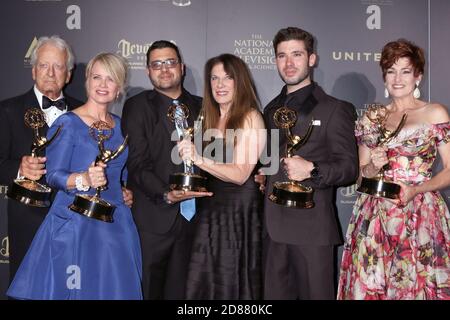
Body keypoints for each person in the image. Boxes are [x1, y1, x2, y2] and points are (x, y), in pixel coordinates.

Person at [6, 52, 142, 299]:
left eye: (110, 79)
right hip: (76, 224)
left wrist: (124, 189)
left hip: (116, 225)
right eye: (96, 77)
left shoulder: (123, 127)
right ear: (86, 81)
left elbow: (121, 172)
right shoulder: (68, 122)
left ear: (119, 87)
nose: (102, 85)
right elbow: (53, 176)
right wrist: (84, 179)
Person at [338, 39, 450, 300]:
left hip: (420, 214)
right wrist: (371, 165)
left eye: (405, 71)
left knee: (416, 287)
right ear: (384, 77)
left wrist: (417, 189)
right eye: (391, 71)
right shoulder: (371, 118)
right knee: (369, 286)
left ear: (418, 76)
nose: (397, 78)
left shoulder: (435, 113)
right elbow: (360, 176)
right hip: (374, 216)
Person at [261, 27, 359, 300]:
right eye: (282, 56)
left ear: (312, 59)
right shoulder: (269, 110)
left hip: (312, 231)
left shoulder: (334, 109)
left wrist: (312, 169)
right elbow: (268, 163)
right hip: (271, 230)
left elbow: (349, 168)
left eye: (296, 54)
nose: (289, 63)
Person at [121, 40, 211, 300]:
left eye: (170, 62)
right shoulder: (137, 106)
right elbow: (137, 163)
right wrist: (166, 194)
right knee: (150, 292)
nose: (164, 69)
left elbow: (218, 157)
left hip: (197, 222)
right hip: (154, 220)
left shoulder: (204, 107)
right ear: (148, 71)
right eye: (156, 64)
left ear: (181, 68)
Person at [178, 53, 266, 299]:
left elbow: (240, 173)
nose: (219, 85)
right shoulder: (208, 119)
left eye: (227, 78)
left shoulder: (251, 117)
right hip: (209, 207)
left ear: (240, 82)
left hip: (237, 210)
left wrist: (197, 158)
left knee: (231, 282)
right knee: (203, 282)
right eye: (214, 78)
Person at [0, 35, 84, 283]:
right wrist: (19, 167)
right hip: (27, 220)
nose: (50, 73)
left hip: (73, 218)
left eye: (58, 66)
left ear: (68, 75)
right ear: (34, 70)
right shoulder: (7, 110)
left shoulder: (85, 112)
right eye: (44, 66)